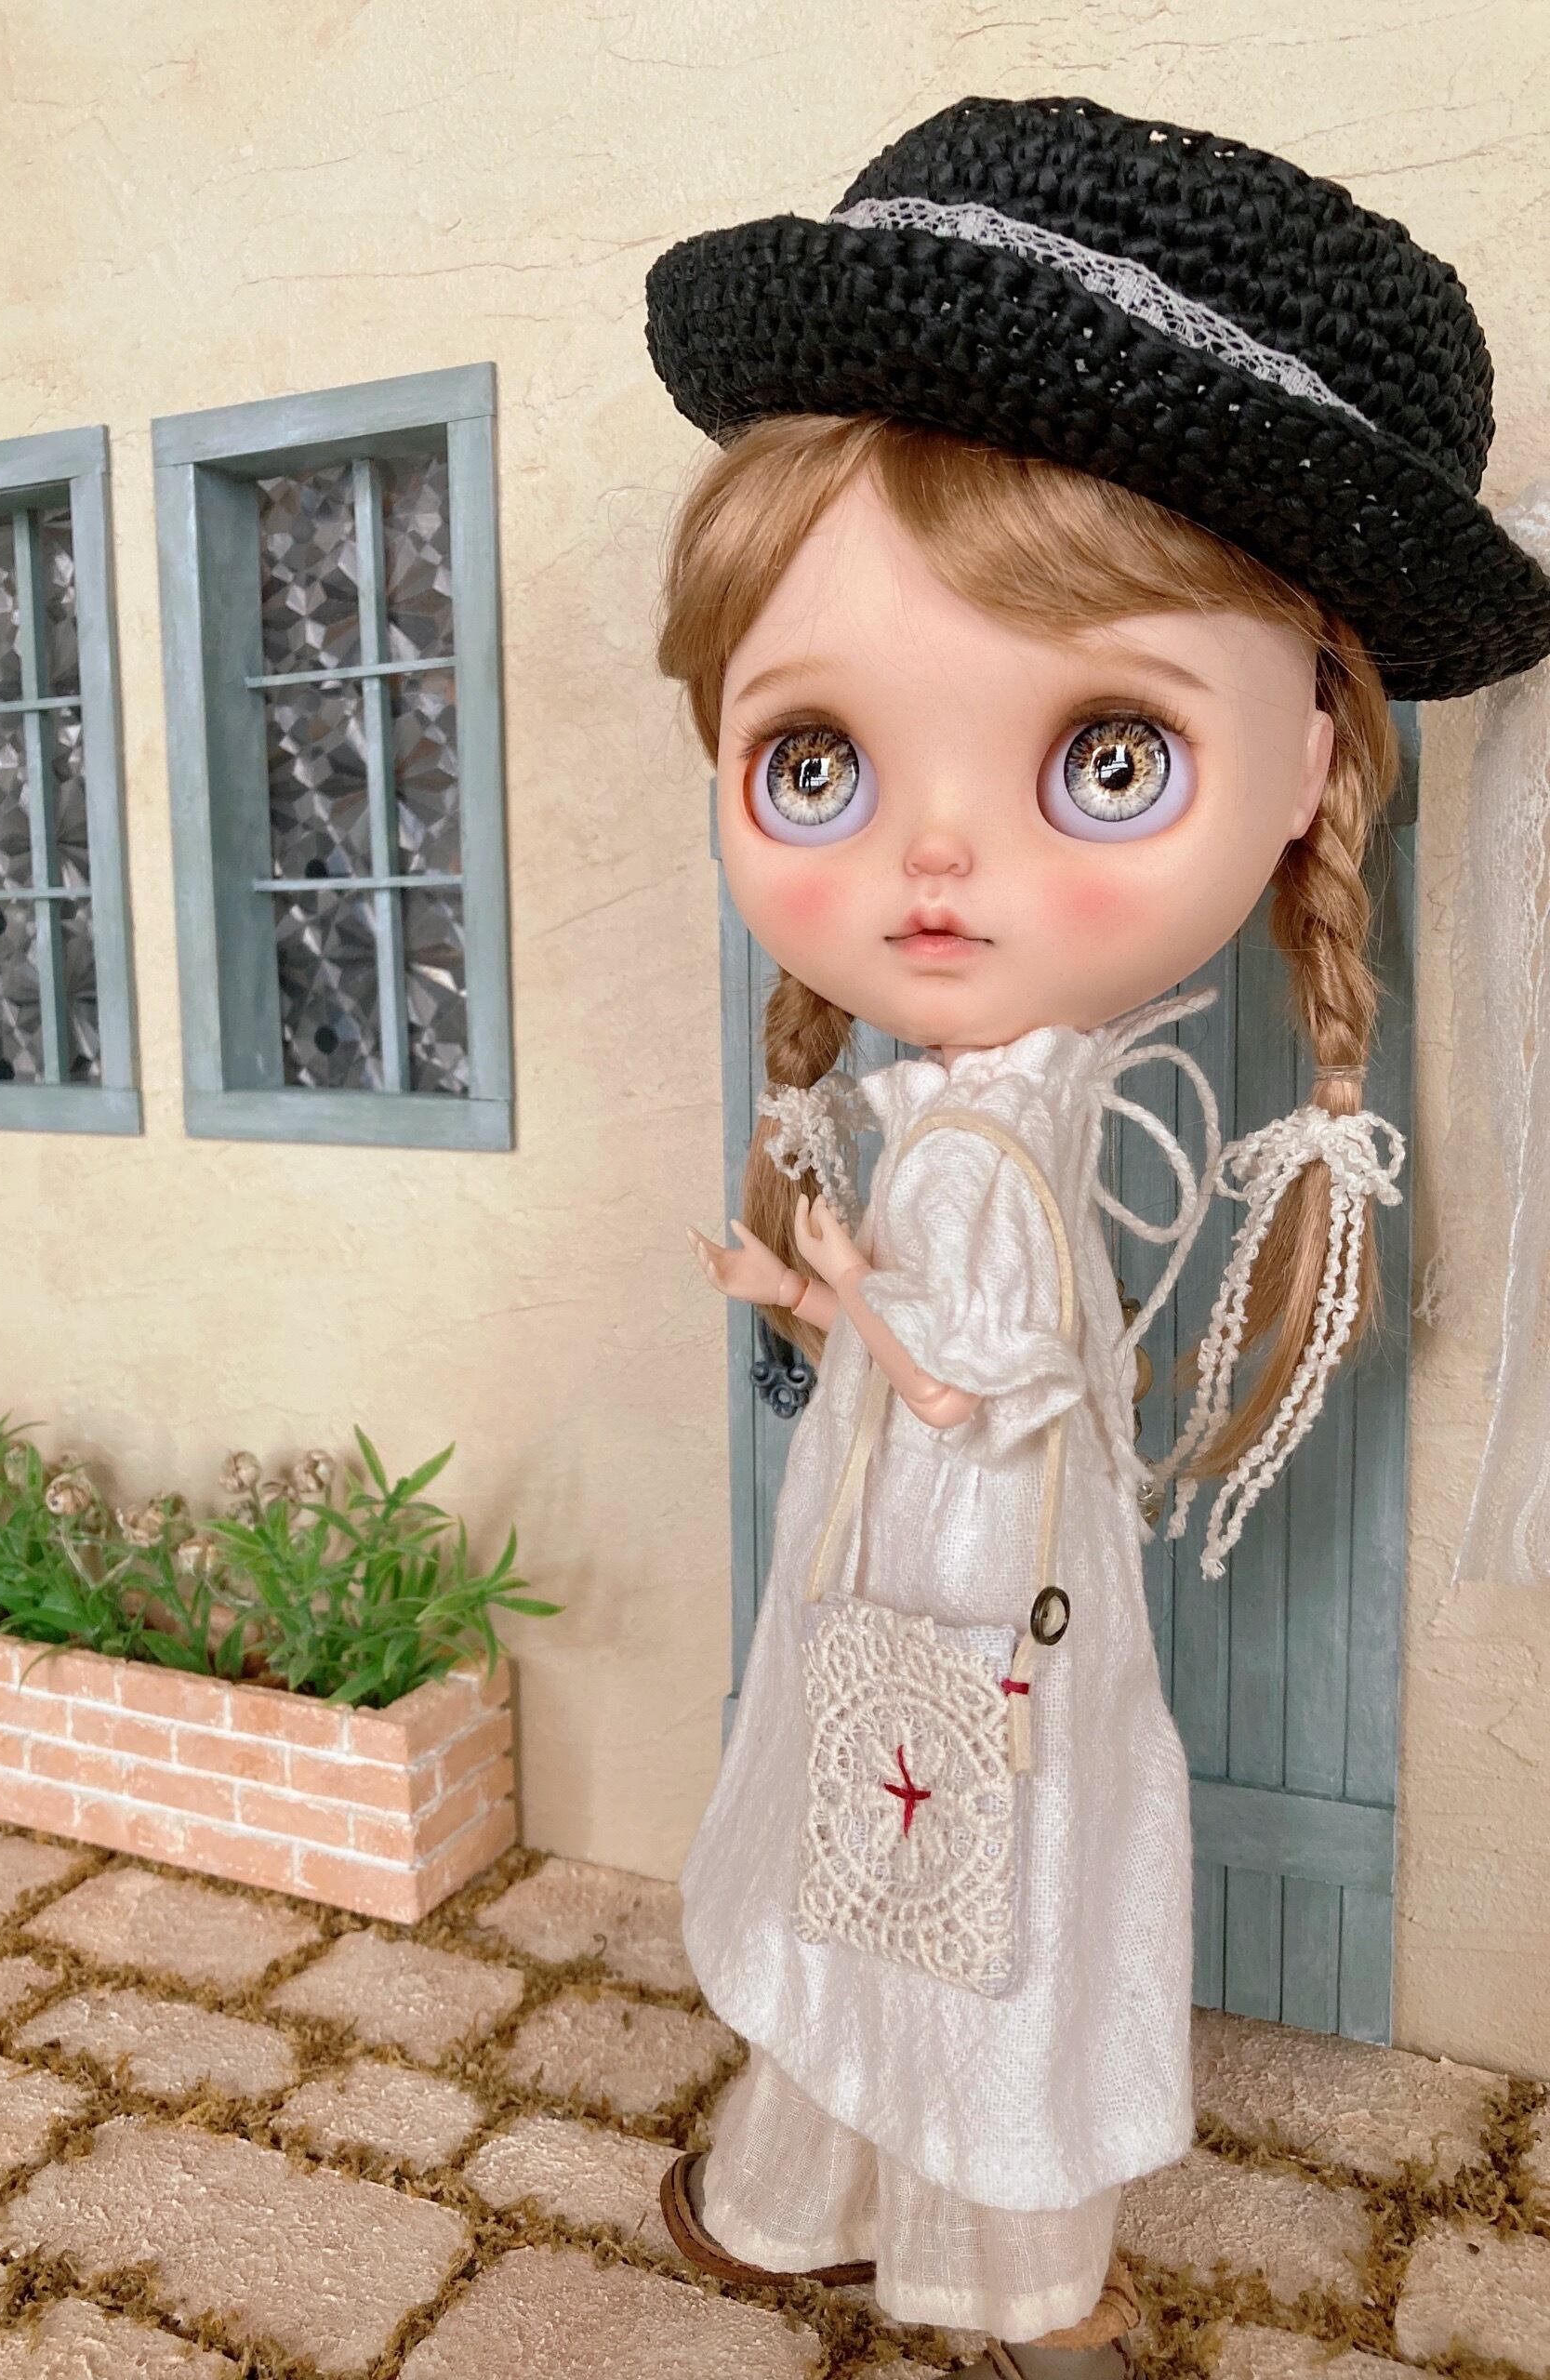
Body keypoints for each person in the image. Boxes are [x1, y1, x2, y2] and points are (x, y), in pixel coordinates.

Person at [642, 95, 1550, 2378]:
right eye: (817, 761)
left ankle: (938, 2231)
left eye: (1106, 757)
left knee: (942, 1865)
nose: (933, 863)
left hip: (962, 1548)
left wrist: (816, 1291)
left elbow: (980, 1367)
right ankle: (872, 2208)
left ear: (1309, 760)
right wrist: (833, 1291)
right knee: (936, 1865)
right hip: (939, 1550)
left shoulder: (989, 1136)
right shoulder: (994, 1109)